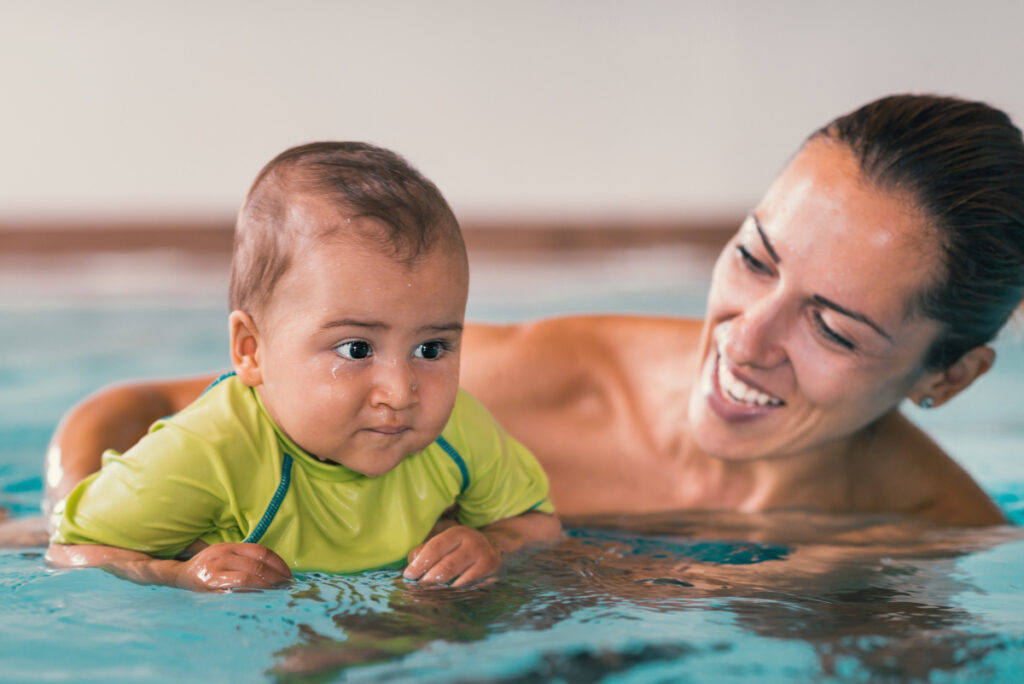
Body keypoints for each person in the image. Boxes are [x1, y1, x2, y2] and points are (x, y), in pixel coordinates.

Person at [39, 94, 1024, 532]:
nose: (744, 339)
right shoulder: (558, 386)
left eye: (833, 327)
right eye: (753, 261)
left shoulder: (933, 539)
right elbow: (130, 411)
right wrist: (93, 536)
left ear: (947, 376)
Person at [44, 142, 560, 591]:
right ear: (251, 350)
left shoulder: (458, 429)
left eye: (431, 349)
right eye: (356, 349)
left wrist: (494, 544)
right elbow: (71, 550)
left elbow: (537, 524)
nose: (401, 391)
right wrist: (179, 575)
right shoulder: (207, 453)